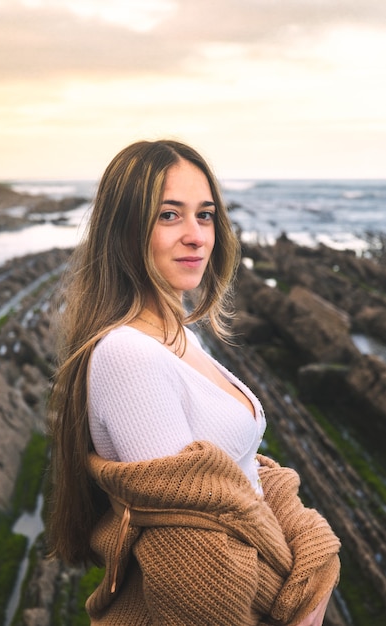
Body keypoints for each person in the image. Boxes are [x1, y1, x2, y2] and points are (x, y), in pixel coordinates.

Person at [47, 139, 340, 625]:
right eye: (169, 215)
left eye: (204, 215)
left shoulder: (178, 333)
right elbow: (197, 567)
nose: (196, 236)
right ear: (123, 231)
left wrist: (313, 552)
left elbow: (242, 472)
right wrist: (302, 597)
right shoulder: (127, 356)